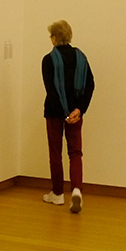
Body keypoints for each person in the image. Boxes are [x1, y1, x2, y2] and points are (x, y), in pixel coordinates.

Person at [41, 20, 94, 213]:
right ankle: (76, 190)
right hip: (75, 114)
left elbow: (51, 90)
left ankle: (57, 194)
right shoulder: (81, 57)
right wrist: (79, 109)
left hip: (55, 113)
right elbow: (90, 85)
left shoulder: (48, 60)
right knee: (75, 153)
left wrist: (64, 112)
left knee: (56, 153)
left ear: (55, 38)